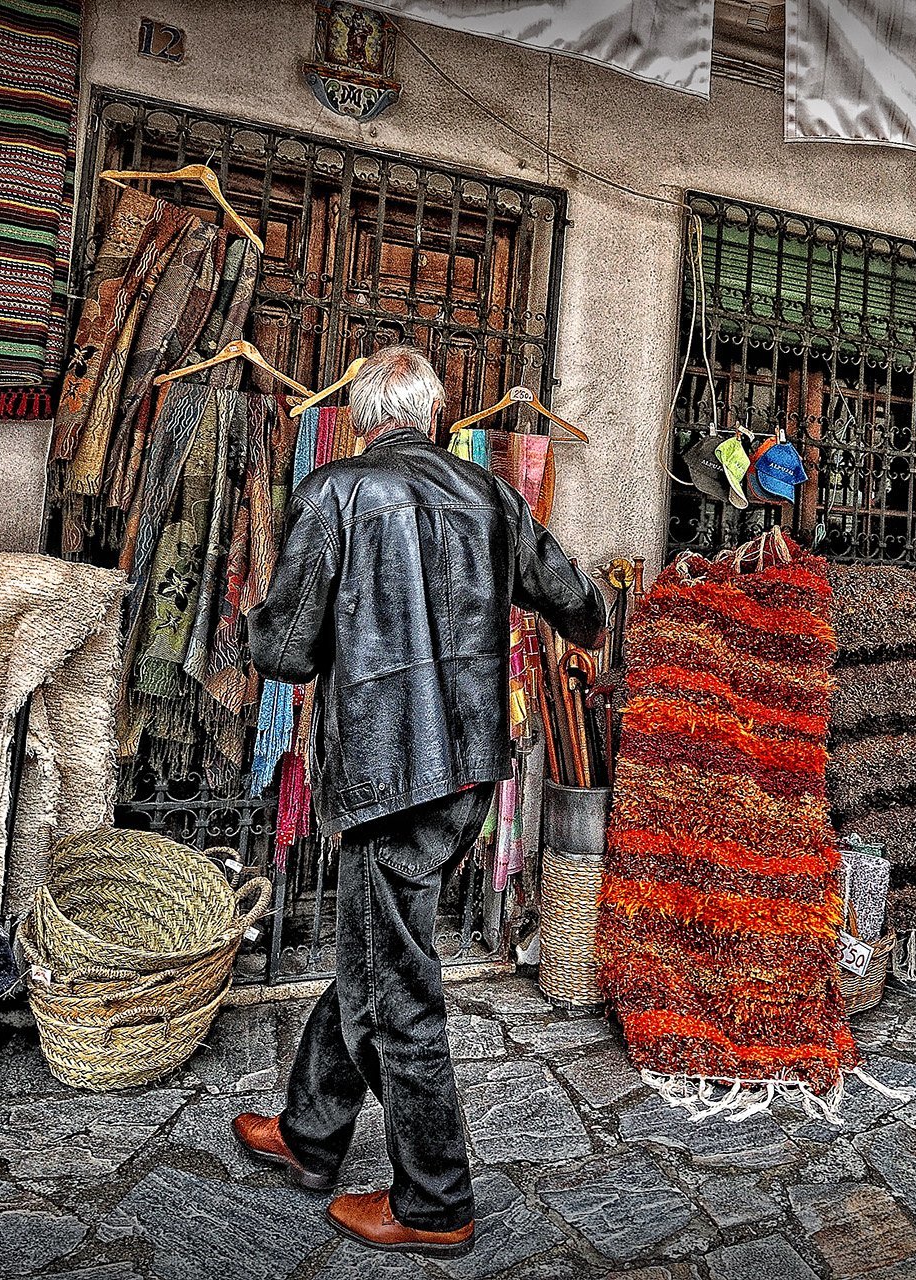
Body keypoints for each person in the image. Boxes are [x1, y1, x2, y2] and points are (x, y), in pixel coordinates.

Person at [236, 347, 606, 1255]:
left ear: (363, 420)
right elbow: (577, 600)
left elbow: (284, 650)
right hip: (465, 770)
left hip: (383, 772)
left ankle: (436, 1202)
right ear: (436, 418)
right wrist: (585, 623)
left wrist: (251, 624)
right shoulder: (490, 496)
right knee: (378, 947)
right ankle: (310, 1130)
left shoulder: (335, 491)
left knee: (395, 987)